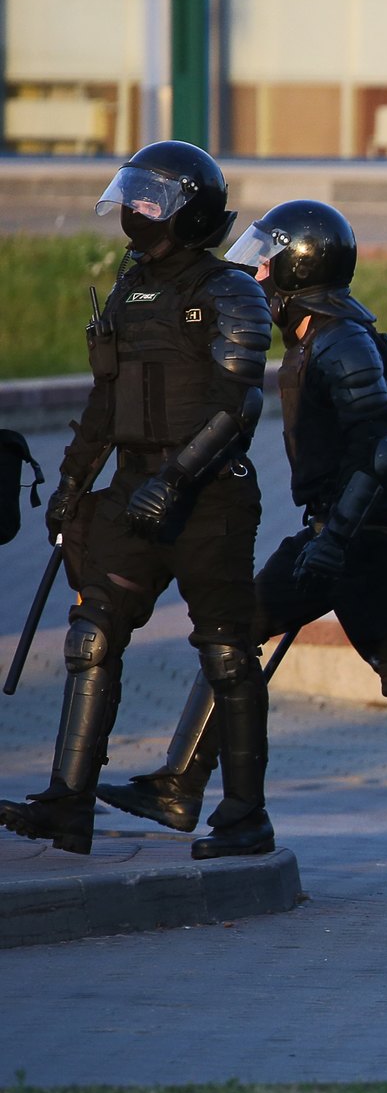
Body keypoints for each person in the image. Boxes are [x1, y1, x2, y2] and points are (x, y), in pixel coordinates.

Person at [100, 200, 387, 882]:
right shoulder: (322, 334)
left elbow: (385, 451)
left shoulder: (340, 341)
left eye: (266, 260)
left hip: (365, 541)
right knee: (238, 633)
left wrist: (334, 538)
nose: (256, 273)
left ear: (297, 266)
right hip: (343, 534)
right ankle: (188, 787)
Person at [0, 142, 271, 857]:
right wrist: (68, 485)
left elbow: (239, 406)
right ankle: (68, 805)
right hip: (127, 489)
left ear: (191, 212)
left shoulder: (230, 290)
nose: (135, 210)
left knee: (228, 656)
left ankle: (245, 816)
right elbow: (103, 402)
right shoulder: (129, 288)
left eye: (151, 200)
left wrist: (175, 478)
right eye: (134, 195)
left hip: (208, 498)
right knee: (91, 635)